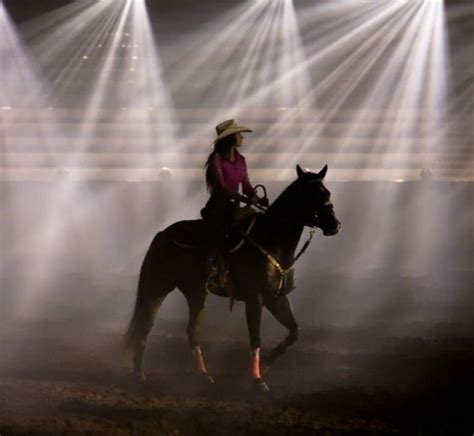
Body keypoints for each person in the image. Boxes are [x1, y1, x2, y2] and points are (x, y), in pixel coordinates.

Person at [201, 119, 267, 293]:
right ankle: (215, 271)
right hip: (219, 206)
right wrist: (247, 201)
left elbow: (246, 185)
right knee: (222, 233)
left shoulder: (241, 160)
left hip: (236, 206)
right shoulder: (216, 159)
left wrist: (256, 198)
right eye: (239, 134)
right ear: (230, 138)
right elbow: (222, 189)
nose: (242, 137)